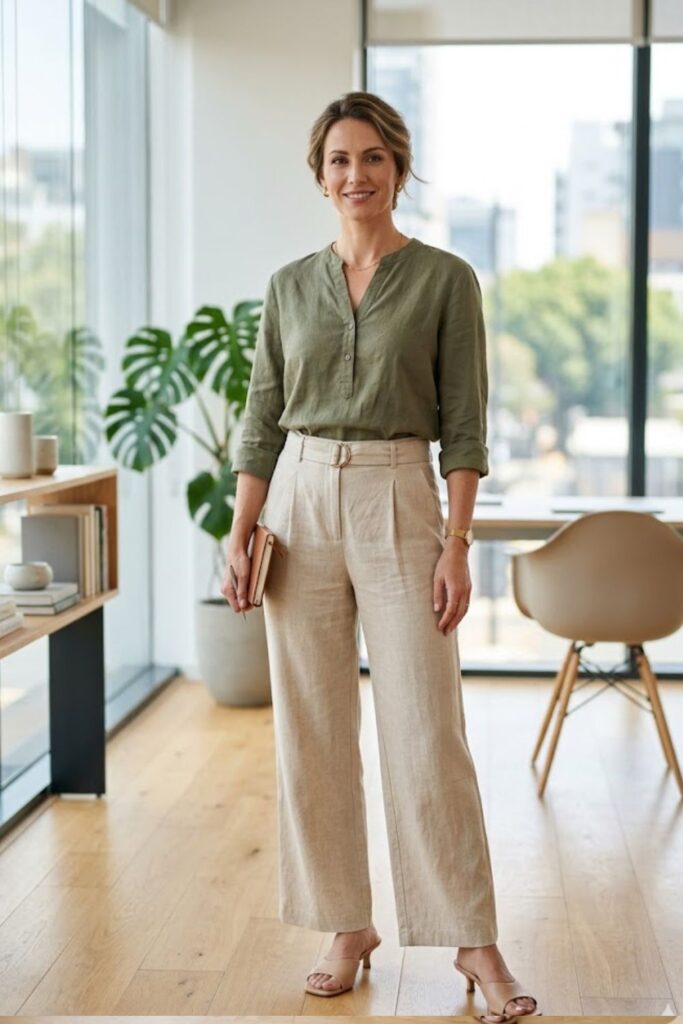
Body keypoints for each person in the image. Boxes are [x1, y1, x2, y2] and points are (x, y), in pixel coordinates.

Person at [222, 91, 541, 1023]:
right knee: (312, 728)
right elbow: (258, 422)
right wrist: (240, 532)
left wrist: (456, 542)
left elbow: (464, 427)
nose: (354, 175)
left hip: (402, 497)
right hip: (300, 498)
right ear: (318, 176)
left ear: (398, 168)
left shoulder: (444, 280)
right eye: (337, 161)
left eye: (370, 157)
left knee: (424, 729)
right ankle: (344, 924)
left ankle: (471, 940)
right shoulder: (289, 286)